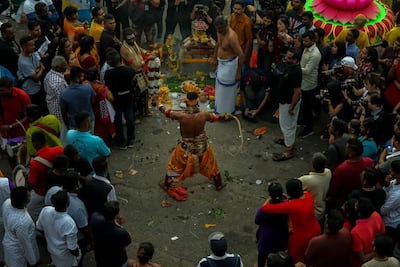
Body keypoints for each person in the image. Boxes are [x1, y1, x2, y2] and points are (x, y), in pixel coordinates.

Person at [158, 92, 230, 191]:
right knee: (212, 165)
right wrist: (224, 116)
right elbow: (216, 118)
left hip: (185, 150)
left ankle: (166, 184)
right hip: (203, 148)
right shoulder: (204, 114)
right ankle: (219, 184)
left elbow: (166, 112)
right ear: (197, 103)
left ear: (186, 103)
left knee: (174, 166)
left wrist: (159, 105)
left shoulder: (180, 115)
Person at [260, 179, 321, 263]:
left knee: (295, 259)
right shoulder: (308, 196)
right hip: (315, 230)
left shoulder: (291, 206)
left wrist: (271, 196)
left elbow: (265, 208)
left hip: (300, 238)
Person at [326, 138, 374, 210]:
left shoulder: (342, 169)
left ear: (351, 153)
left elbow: (334, 187)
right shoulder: (369, 162)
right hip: (362, 195)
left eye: (346, 148)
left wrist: (330, 197)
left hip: (343, 199)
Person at [272, 47, 302, 161]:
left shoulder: (296, 72)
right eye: (286, 57)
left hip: (289, 102)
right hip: (284, 100)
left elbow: (297, 92)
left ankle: (289, 150)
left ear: (296, 60)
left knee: (288, 125)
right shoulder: (290, 67)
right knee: (284, 123)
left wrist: (291, 107)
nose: (286, 59)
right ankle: (287, 141)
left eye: (289, 58)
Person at [36, 190, 80, 267]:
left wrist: (50, 236)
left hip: (52, 250)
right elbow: (72, 249)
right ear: (67, 203)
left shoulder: (45, 210)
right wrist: (78, 254)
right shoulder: (69, 223)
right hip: (65, 258)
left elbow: (39, 228)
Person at [27, 131, 64, 221]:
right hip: (60, 187)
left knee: (30, 210)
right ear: (45, 140)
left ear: (34, 143)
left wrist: (27, 177)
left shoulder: (35, 163)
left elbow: (32, 184)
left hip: (42, 192)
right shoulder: (59, 150)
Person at [104, 48, 135, 149]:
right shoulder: (129, 70)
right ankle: (131, 139)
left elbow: (107, 86)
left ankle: (121, 141)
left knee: (118, 118)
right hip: (128, 97)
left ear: (111, 62)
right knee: (129, 117)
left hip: (116, 99)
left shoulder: (109, 74)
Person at [213, 15, 244, 114]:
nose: (219, 31)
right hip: (221, 63)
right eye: (218, 30)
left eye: (221, 29)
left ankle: (227, 112)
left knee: (227, 90)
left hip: (230, 65)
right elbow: (218, 44)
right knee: (220, 89)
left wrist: (238, 72)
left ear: (226, 26)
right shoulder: (219, 31)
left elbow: (241, 54)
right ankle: (219, 110)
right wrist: (214, 58)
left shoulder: (232, 36)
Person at [2, 187, 39, 267]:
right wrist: (33, 262)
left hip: (8, 241)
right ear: (24, 202)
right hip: (17, 252)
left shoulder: (6, 202)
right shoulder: (22, 221)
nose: (30, 196)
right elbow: (25, 244)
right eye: (28, 196)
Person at [254, 182, 288, 267]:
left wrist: (268, 200)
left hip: (266, 238)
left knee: (262, 257)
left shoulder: (266, 209)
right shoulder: (287, 206)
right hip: (281, 237)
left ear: (270, 195)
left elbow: (257, 220)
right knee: (279, 258)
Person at [90, 201, 132, 267]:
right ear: (116, 214)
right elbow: (127, 240)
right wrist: (119, 225)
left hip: (100, 258)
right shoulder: (121, 232)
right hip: (116, 262)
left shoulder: (94, 218)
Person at [298, 152, 332, 228]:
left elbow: (294, 185)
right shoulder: (328, 173)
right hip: (322, 209)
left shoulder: (306, 180)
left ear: (313, 166)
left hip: (311, 212)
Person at [298, 30, 321, 138]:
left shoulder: (315, 54)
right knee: (304, 105)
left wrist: (296, 68)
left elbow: (307, 70)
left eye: (306, 41)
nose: (304, 43)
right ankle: (303, 122)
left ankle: (309, 128)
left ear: (313, 41)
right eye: (303, 41)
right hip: (303, 81)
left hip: (309, 84)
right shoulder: (306, 49)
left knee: (308, 107)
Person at [350, 197, 385, 267]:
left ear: (359, 213)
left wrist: (374, 252)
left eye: (357, 205)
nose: (355, 205)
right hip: (375, 259)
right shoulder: (376, 215)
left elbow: (363, 258)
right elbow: (382, 233)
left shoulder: (355, 232)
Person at [85, 67, 115, 145]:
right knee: (103, 126)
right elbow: (111, 98)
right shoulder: (100, 88)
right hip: (101, 109)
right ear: (97, 76)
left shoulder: (84, 85)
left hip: (90, 108)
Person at [17, 35, 46, 107]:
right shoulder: (24, 63)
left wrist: (38, 69)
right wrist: (41, 69)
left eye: (34, 45)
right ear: (24, 47)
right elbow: (36, 78)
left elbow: (39, 63)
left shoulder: (31, 53)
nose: (34, 47)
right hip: (32, 90)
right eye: (31, 45)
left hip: (38, 86)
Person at [43, 56, 68, 123]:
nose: (66, 66)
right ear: (57, 67)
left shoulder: (49, 74)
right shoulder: (57, 82)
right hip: (58, 110)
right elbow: (64, 100)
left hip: (52, 105)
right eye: (64, 65)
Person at [230, 0, 253, 67]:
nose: (236, 11)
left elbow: (249, 40)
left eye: (238, 9)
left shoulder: (247, 22)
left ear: (243, 9)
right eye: (234, 9)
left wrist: (244, 55)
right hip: (232, 48)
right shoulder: (232, 16)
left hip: (241, 50)